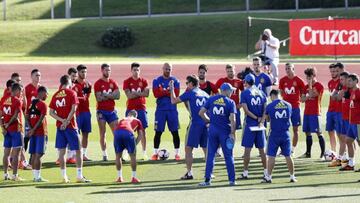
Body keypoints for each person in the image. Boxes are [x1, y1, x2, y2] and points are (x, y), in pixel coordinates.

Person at [49, 75, 91, 183]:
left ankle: (64, 177)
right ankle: (79, 176)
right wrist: (67, 121)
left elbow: (51, 112)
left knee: (62, 152)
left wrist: (61, 120)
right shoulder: (72, 93)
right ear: (69, 83)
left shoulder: (55, 95)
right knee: (79, 150)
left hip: (60, 127)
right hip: (71, 126)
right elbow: (74, 109)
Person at [170, 75, 209, 180]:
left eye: (187, 83)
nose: (186, 85)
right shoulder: (205, 94)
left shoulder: (190, 93)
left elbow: (173, 101)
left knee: (188, 148)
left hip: (195, 123)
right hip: (206, 123)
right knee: (206, 149)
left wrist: (171, 89)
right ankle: (209, 172)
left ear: (192, 83)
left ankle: (190, 173)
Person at [198, 83, 237, 186]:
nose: (232, 92)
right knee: (228, 156)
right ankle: (232, 180)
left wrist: (209, 121)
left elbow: (201, 112)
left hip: (213, 130)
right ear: (225, 91)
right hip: (224, 131)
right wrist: (233, 133)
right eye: (231, 90)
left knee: (210, 155)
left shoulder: (212, 99)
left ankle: (207, 180)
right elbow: (233, 119)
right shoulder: (230, 102)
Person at [260, 89, 297, 183]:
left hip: (274, 133)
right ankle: (292, 176)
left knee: (271, 156)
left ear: (272, 95)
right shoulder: (288, 105)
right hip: (286, 133)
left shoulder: (270, 106)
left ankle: (268, 177)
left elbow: (267, 120)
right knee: (288, 155)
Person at [239, 74, 267, 180]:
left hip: (250, 124)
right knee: (262, 150)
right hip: (260, 125)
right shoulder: (261, 92)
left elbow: (246, 110)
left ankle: (245, 172)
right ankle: (266, 172)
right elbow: (266, 109)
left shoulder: (245, 93)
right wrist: (262, 120)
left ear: (246, 82)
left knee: (247, 150)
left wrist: (256, 118)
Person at [152, 63, 181, 161]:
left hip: (172, 110)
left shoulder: (175, 81)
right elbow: (156, 94)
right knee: (158, 132)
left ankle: (177, 154)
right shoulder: (156, 80)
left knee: (175, 132)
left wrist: (163, 91)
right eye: (166, 69)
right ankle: (155, 153)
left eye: (169, 69)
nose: (168, 71)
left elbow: (176, 94)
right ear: (162, 69)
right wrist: (169, 91)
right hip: (160, 111)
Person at [123, 62, 150, 160]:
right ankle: (127, 152)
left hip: (141, 109)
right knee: (128, 132)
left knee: (142, 131)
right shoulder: (127, 81)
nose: (136, 72)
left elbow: (147, 94)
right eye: (134, 70)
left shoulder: (144, 81)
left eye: (138, 70)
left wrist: (135, 93)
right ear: (131, 70)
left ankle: (144, 152)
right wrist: (140, 93)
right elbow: (129, 95)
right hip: (130, 109)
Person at [94, 63, 120, 161]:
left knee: (116, 133)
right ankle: (104, 154)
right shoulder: (98, 83)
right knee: (103, 133)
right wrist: (111, 95)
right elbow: (99, 98)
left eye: (109, 70)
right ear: (102, 70)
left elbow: (118, 96)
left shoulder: (113, 82)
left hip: (112, 111)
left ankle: (118, 153)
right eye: (106, 70)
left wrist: (106, 95)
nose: (108, 72)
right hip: (101, 111)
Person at [279, 63, 305, 154]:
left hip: (295, 108)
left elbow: (303, 94)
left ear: (293, 69)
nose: (287, 70)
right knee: (283, 129)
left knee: (295, 129)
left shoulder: (299, 80)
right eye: (286, 69)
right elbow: (282, 93)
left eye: (289, 68)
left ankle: (292, 149)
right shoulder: (282, 80)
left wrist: (301, 98)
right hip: (285, 108)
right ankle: (283, 148)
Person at [0, 83, 25, 181]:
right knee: (16, 154)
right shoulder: (17, 101)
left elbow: (0, 115)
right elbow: (15, 115)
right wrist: (8, 124)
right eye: (21, 91)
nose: (22, 93)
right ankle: (15, 175)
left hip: (6, 131)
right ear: (17, 90)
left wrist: (3, 127)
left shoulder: (3, 100)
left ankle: (5, 174)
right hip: (15, 129)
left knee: (6, 153)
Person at [300, 67, 325, 159]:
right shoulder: (305, 87)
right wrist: (306, 96)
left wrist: (310, 86)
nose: (307, 79)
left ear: (314, 76)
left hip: (315, 112)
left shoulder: (319, 86)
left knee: (318, 132)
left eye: (309, 77)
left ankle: (322, 154)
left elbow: (311, 95)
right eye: (307, 77)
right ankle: (308, 153)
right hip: (307, 112)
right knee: (307, 132)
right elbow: (301, 99)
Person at [114, 110, 144, 183]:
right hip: (128, 132)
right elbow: (140, 135)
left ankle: (119, 177)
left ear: (128, 114)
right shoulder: (137, 120)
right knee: (132, 156)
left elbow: (117, 127)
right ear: (135, 115)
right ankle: (134, 177)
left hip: (117, 133)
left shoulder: (122, 119)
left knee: (118, 156)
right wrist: (135, 143)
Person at [26, 86, 48, 182]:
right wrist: (34, 129)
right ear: (41, 93)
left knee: (34, 155)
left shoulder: (31, 103)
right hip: (40, 133)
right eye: (46, 93)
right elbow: (41, 119)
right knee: (38, 155)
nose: (47, 95)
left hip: (33, 133)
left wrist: (31, 129)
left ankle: (35, 177)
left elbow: (26, 116)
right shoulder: (43, 104)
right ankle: (38, 177)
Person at [329, 71, 351, 167]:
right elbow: (333, 97)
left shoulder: (348, 89)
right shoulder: (341, 87)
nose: (340, 81)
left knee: (349, 140)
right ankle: (342, 159)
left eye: (342, 79)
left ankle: (347, 160)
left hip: (348, 118)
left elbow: (336, 97)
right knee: (344, 138)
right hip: (342, 116)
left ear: (347, 79)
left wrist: (338, 93)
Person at [340, 74, 359, 171]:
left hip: (358, 123)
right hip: (352, 122)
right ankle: (351, 164)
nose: (348, 83)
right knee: (348, 141)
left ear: (356, 81)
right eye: (348, 81)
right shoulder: (352, 92)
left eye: (350, 81)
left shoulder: (359, 92)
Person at [215, 64, 244, 130]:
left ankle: (232, 140)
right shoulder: (222, 80)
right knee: (224, 127)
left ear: (234, 71)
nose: (230, 73)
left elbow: (244, 93)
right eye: (228, 71)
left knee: (234, 128)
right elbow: (214, 90)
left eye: (231, 71)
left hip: (235, 108)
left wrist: (241, 103)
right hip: (224, 107)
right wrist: (218, 100)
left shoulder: (239, 81)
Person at [73, 65, 92, 161]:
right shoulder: (73, 85)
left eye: (85, 72)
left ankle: (83, 154)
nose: (84, 74)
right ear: (78, 73)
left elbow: (86, 98)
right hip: (77, 112)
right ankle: (74, 154)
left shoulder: (88, 85)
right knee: (76, 134)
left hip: (86, 111)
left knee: (86, 133)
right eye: (82, 72)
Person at [326, 64, 342, 152]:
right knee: (330, 131)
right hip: (330, 110)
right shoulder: (329, 83)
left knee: (340, 133)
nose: (333, 73)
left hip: (339, 111)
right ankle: (333, 152)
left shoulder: (341, 82)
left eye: (335, 71)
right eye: (331, 71)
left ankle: (342, 153)